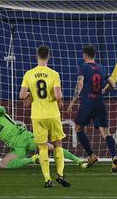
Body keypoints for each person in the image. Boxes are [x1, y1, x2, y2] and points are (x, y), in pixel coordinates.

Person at [0, 103, 85, 169]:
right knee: (3, 164)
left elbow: (1, 108)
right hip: (17, 147)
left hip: (24, 137)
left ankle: (79, 161)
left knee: (51, 148)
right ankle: (33, 159)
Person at [19, 45, 71, 188]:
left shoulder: (28, 74)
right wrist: (58, 100)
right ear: (49, 56)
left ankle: (47, 179)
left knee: (42, 148)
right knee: (58, 144)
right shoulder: (53, 74)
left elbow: (22, 96)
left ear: (37, 56)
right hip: (53, 114)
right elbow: (59, 95)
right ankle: (60, 175)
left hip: (37, 116)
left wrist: (31, 94)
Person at [66, 45, 117, 171]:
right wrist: (104, 91)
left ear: (84, 55)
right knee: (105, 132)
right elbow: (113, 84)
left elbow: (80, 84)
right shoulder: (101, 68)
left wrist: (72, 102)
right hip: (100, 102)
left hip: (87, 102)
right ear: (94, 55)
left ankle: (92, 155)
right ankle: (114, 156)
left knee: (78, 128)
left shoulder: (84, 68)